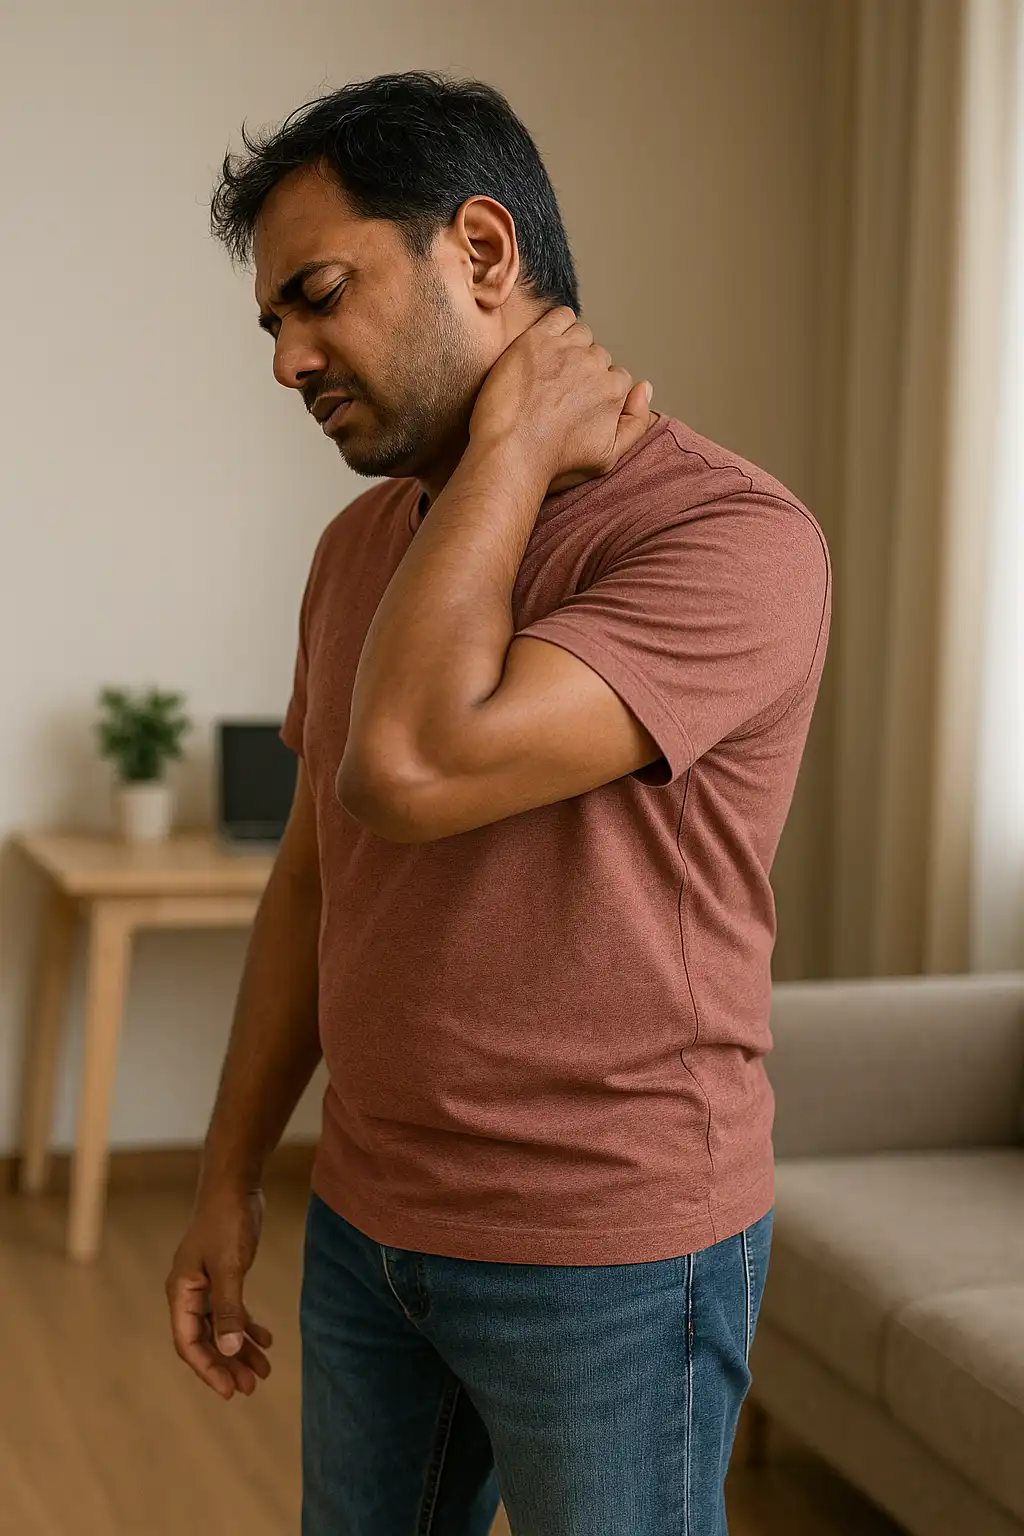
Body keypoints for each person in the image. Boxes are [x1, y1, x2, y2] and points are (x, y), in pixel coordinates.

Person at [166, 71, 831, 1536]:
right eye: (272, 322)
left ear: (481, 251)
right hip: (369, 1227)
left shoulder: (727, 537)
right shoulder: (359, 549)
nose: (287, 359)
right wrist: (230, 1178)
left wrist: (520, 448)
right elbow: (314, 876)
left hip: (612, 1255)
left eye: (318, 296)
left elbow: (409, 771)